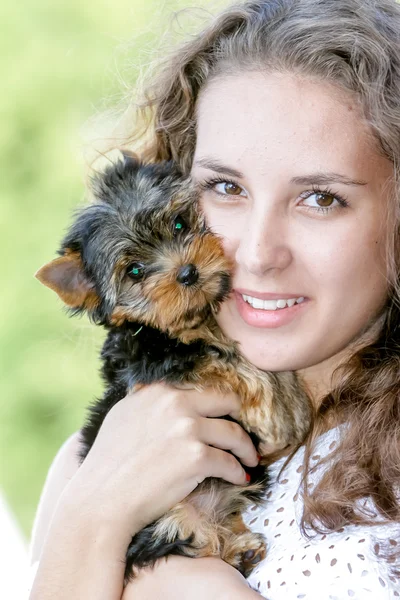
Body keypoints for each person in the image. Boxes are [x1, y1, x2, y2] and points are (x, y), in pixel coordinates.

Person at [29, 0, 400, 598]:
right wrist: (92, 519)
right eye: (225, 188)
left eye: (321, 198)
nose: (256, 253)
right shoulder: (102, 459)